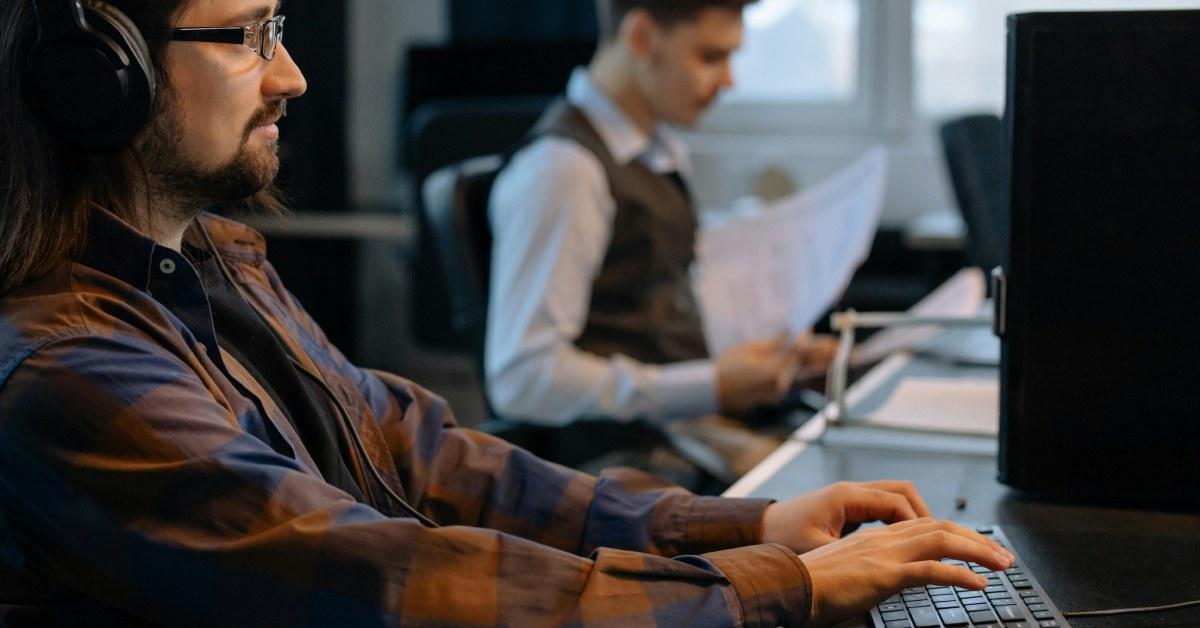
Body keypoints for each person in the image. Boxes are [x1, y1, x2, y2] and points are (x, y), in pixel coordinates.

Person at [0, 1, 1013, 626]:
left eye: (283, 29)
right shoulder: (68, 371)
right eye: (248, 33)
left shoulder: (216, 260)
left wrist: (754, 523)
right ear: (98, 74)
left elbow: (423, 455)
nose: (291, 74)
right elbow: (382, 579)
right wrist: (775, 585)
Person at [486, 0, 835, 463]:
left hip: (680, 435)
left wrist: (767, 361)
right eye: (711, 57)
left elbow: (654, 315)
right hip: (623, 462)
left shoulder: (658, 152)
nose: (729, 81)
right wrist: (709, 385)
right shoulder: (565, 170)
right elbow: (522, 377)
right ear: (642, 38)